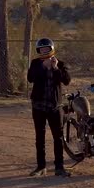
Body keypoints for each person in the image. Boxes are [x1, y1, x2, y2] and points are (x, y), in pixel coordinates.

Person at [27, 37, 71, 177]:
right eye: (42, 49)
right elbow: (30, 78)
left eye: (47, 48)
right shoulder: (35, 63)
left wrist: (55, 68)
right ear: (38, 50)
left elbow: (66, 80)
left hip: (55, 106)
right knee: (40, 137)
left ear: (52, 49)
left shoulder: (60, 63)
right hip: (39, 105)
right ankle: (41, 167)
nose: (44, 51)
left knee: (58, 137)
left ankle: (59, 167)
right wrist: (42, 67)